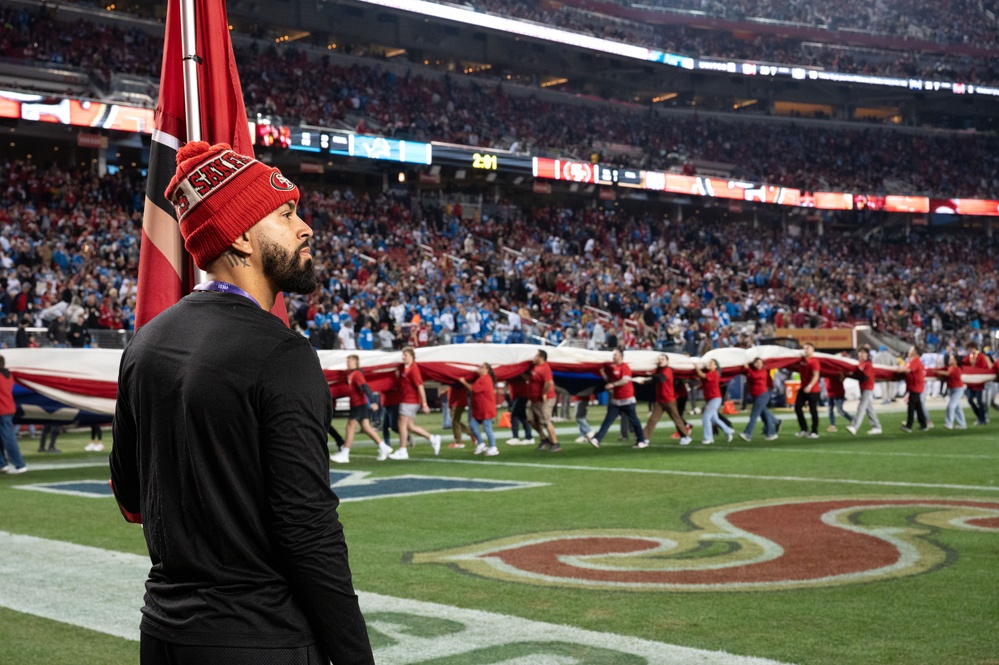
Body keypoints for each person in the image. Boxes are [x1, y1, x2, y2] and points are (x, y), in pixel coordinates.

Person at [109, 141, 373, 664]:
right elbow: (308, 530)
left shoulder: (144, 343)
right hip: (260, 637)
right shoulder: (281, 353)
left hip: (163, 632)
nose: (306, 228)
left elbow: (132, 497)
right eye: (286, 213)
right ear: (240, 236)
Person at [330, 355, 394, 464]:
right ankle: (384, 447)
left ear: (355, 362)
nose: (347, 363)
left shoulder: (357, 374)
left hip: (359, 405)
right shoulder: (351, 374)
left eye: (349, 361)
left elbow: (365, 387)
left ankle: (345, 453)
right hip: (359, 405)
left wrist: (373, 401)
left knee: (350, 427)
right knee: (366, 428)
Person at [388, 346, 442, 460]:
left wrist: (425, 403)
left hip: (410, 400)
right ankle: (432, 438)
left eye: (405, 355)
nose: (403, 357)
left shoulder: (413, 369)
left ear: (411, 356)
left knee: (401, 423)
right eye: (402, 355)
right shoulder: (404, 368)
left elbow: (420, 386)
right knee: (410, 426)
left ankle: (403, 450)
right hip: (408, 399)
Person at [589, 347, 647, 449]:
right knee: (608, 420)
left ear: (620, 356)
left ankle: (641, 440)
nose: (613, 357)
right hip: (616, 400)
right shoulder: (613, 368)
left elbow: (625, 380)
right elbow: (609, 380)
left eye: (615, 355)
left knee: (634, 421)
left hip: (627, 399)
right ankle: (597, 439)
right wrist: (603, 373)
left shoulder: (625, 367)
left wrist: (613, 385)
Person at [643, 353, 692, 445]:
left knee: (676, 418)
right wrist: (645, 380)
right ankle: (645, 438)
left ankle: (685, 436)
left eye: (663, 359)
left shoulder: (667, 370)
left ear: (667, 361)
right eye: (660, 359)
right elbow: (655, 379)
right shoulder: (658, 371)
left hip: (669, 400)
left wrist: (650, 374)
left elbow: (662, 378)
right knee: (652, 420)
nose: (660, 360)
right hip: (660, 400)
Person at [459, 362, 500, 456]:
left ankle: (493, 447)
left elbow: (473, 389)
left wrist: (464, 382)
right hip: (479, 408)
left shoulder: (485, 379)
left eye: (482, 367)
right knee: (473, 425)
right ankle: (481, 443)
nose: (479, 368)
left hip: (486, 408)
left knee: (487, 428)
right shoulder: (482, 379)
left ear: (487, 370)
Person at [694, 359, 733, 445]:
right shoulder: (709, 374)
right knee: (715, 419)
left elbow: (701, 374)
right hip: (711, 399)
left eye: (711, 363)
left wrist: (695, 366)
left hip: (714, 399)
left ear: (716, 366)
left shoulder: (715, 374)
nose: (709, 364)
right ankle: (728, 431)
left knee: (706, 417)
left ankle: (708, 438)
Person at [739, 357, 780, 442]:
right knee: (764, 415)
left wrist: (747, 369)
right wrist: (746, 369)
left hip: (762, 395)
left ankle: (748, 433)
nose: (759, 364)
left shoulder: (763, 372)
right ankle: (771, 433)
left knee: (754, 415)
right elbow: (750, 377)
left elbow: (755, 376)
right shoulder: (753, 372)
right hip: (756, 396)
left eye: (760, 363)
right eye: (757, 363)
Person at [527, 349, 560, 452]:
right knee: (531, 419)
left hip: (546, 399)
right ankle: (544, 439)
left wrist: (544, 393)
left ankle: (555, 443)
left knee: (546, 420)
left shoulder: (545, 368)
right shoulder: (535, 367)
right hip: (534, 399)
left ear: (541, 357)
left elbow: (549, 382)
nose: (534, 357)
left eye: (536, 356)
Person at [0, 355, 27, 474]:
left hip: (2, 410)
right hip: (8, 408)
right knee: (6, 437)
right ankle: (2, 464)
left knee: (8, 438)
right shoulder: (8, 375)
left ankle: (19, 465)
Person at [847, 347, 883, 436]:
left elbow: (864, 377)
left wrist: (851, 375)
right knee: (868, 408)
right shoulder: (860, 363)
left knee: (861, 407)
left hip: (868, 387)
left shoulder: (868, 364)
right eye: (860, 352)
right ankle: (877, 426)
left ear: (867, 354)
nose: (861, 354)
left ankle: (855, 426)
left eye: (863, 352)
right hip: (862, 387)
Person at [794, 342, 821, 439]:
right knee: (797, 408)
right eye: (804, 348)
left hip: (813, 390)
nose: (805, 350)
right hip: (803, 388)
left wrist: (809, 386)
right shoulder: (802, 360)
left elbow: (816, 375)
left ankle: (814, 431)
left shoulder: (814, 361)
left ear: (813, 350)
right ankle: (804, 429)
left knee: (813, 410)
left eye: (808, 348)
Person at [899, 345, 928, 433]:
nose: (909, 350)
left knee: (911, 406)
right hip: (915, 386)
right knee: (918, 406)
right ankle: (923, 424)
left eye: (911, 349)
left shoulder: (915, 361)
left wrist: (898, 370)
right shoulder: (913, 361)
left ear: (915, 352)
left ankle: (909, 425)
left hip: (915, 386)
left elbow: (908, 370)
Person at [962, 342, 993, 425]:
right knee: (970, 399)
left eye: (970, 348)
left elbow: (983, 368)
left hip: (979, 382)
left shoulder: (981, 357)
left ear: (974, 348)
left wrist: (974, 365)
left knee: (980, 401)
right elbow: (963, 363)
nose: (969, 350)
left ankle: (982, 419)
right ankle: (980, 417)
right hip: (971, 383)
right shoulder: (969, 356)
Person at [938, 354, 968, 430]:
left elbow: (949, 374)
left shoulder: (957, 369)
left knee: (951, 406)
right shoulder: (950, 367)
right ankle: (962, 424)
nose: (949, 360)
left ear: (956, 361)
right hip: (951, 389)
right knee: (957, 407)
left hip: (957, 389)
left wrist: (937, 372)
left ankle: (949, 423)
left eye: (952, 359)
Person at [506, 373, 534, 445]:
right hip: (518, 395)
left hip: (522, 395)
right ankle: (529, 437)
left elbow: (526, 377)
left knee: (514, 415)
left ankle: (516, 437)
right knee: (522, 417)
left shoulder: (518, 372)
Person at [446, 382, 476, 449]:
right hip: (453, 401)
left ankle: (458, 442)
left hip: (457, 402)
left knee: (455, 421)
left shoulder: (459, 379)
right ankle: (472, 434)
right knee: (456, 421)